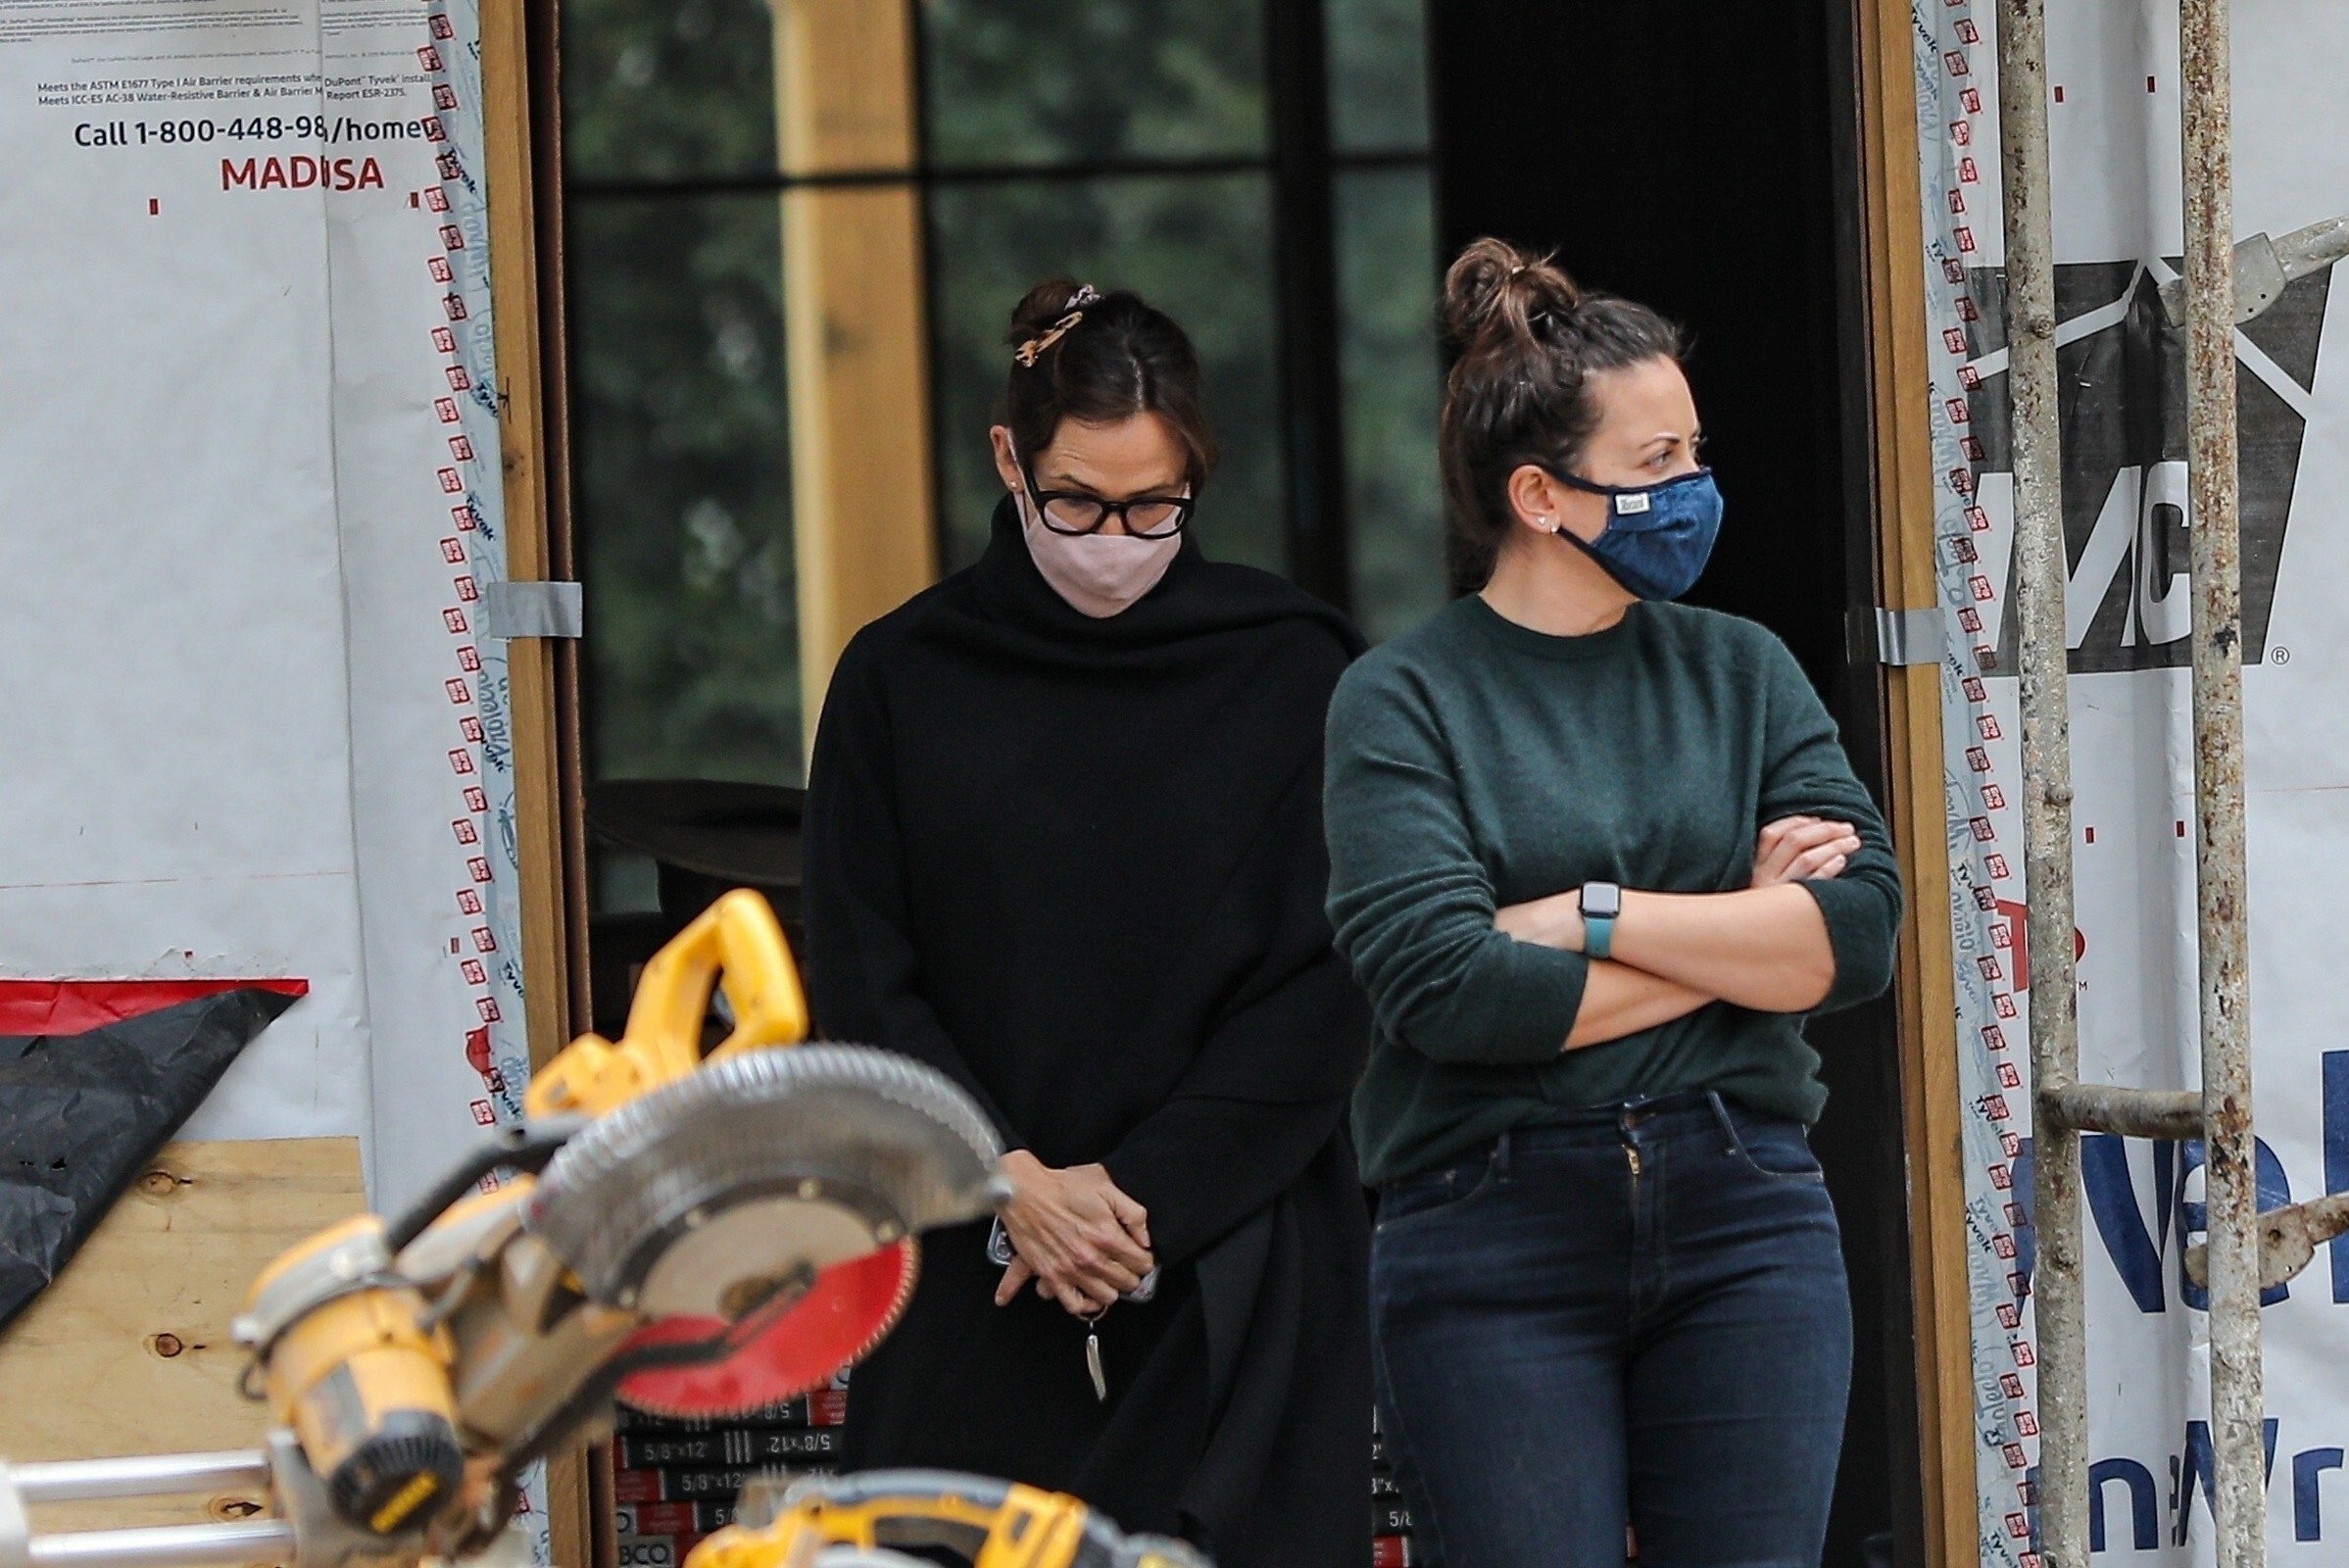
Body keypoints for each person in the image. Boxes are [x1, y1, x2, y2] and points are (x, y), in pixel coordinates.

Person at [1322, 238, 1904, 1567]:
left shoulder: (1742, 670)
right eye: (1657, 463)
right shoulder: (1402, 700)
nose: (1694, 489)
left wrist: (1589, 912)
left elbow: (1859, 934)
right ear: (1539, 494)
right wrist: (1739, 933)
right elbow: (1447, 993)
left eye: (1695, 453)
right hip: (1488, 1226)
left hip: (1746, 1210)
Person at [802, 278, 1372, 1567]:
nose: (1113, 537)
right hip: (968, 1266)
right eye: (1075, 499)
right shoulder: (901, 678)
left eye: (1153, 504)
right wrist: (1009, 1181)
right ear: (1009, 460)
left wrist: (1133, 1202)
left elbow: (1332, 977)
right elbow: (862, 977)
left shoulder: (1296, 669)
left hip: (1236, 1255)